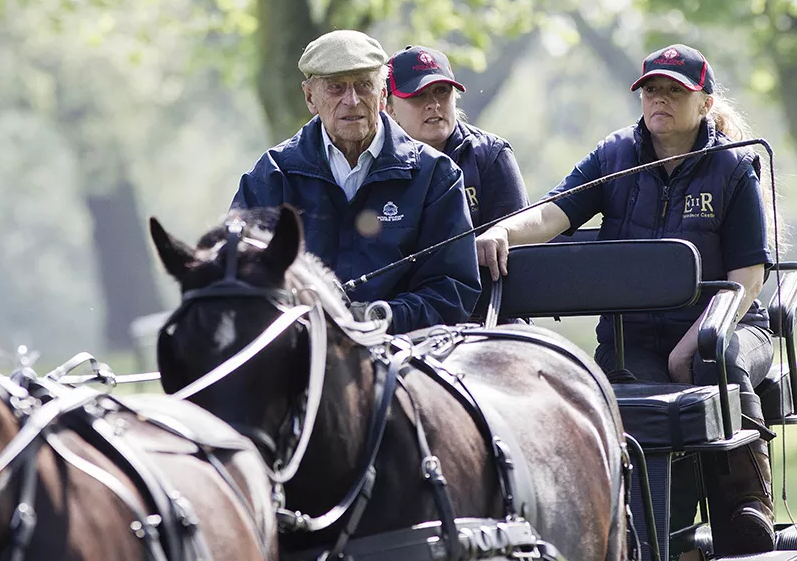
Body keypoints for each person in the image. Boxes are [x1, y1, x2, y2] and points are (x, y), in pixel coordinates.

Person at [476, 44, 776, 555]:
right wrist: (503, 231)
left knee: (715, 359)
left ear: (704, 103)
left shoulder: (732, 166)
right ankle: (659, 532)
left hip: (731, 324)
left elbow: (747, 278)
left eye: (675, 91)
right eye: (651, 89)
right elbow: (551, 214)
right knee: (632, 396)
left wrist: (695, 341)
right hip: (633, 338)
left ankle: (746, 509)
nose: (660, 99)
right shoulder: (613, 157)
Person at [231, 30, 480, 334]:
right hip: (300, 351)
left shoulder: (436, 175)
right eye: (335, 87)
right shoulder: (272, 175)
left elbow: (452, 288)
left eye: (364, 85)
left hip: (406, 350)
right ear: (310, 97)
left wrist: (380, 318)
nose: (351, 101)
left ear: (382, 95)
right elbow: (238, 277)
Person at [385, 45, 529, 229]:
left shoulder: (489, 155)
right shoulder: (377, 164)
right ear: (390, 109)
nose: (433, 104)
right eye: (418, 95)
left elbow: (518, 238)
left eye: (442, 91)